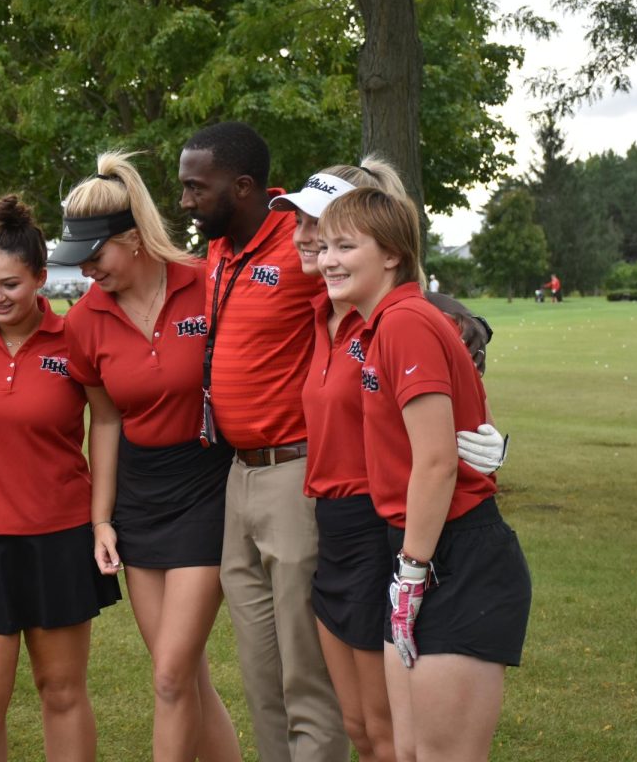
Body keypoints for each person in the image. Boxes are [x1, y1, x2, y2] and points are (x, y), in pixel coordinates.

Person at [270, 158, 506, 762]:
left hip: (398, 535)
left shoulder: (399, 318)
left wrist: (481, 443)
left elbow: (438, 443)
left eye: (330, 234)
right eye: (312, 233)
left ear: (385, 247)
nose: (310, 243)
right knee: (373, 733)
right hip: (343, 527)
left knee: (402, 742)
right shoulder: (320, 309)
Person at [317, 187, 531, 762]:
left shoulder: (406, 321)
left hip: (456, 557)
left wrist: (410, 576)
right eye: (323, 246)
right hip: (416, 553)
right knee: (408, 750)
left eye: (345, 245)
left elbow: (435, 463)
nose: (327, 259)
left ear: (391, 254)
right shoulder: (380, 325)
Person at [52, 152, 242, 762]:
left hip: (207, 486)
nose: (85, 270)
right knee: (183, 675)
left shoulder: (204, 282)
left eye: (96, 255)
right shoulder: (84, 321)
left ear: (132, 239)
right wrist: (101, 518)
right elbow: (104, 420)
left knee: (169, 676)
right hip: (139, 497)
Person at [178, 121, 348, 762]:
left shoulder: (302, 242)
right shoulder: (220, 248)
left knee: (305, 670)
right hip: (237, 476)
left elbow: (384, 274)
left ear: (241, 186)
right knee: (258, 669)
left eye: (197, 188)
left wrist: (462, 318)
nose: (186, 201)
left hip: (293, 473)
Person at [0, 195, 120, 762]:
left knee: (62, 691)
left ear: (41, 279)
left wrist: (100, 519)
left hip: (59, 536)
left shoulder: (73, 337)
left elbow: (109, 420)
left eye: (11, 285)